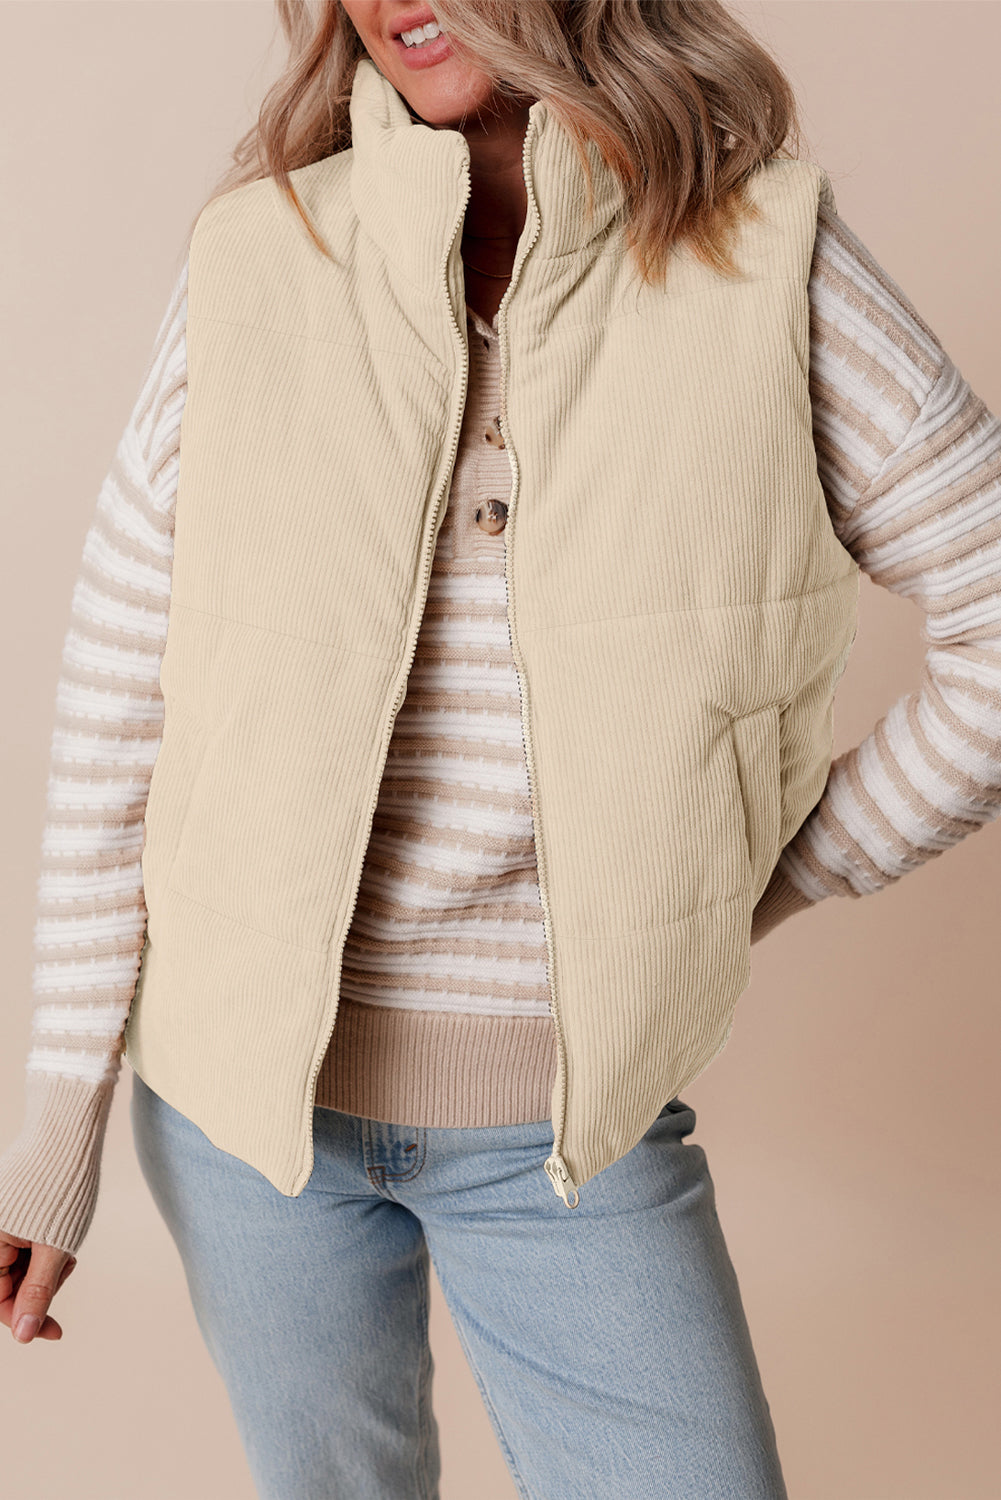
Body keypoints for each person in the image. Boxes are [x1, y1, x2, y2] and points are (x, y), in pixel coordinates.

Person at [2, 2, 999, 1496]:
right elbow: (116, 706)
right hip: (233, 1117)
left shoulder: (763, 257)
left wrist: (749, 881)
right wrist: (58, 1127)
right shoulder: (264, 255)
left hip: (564, 1132)